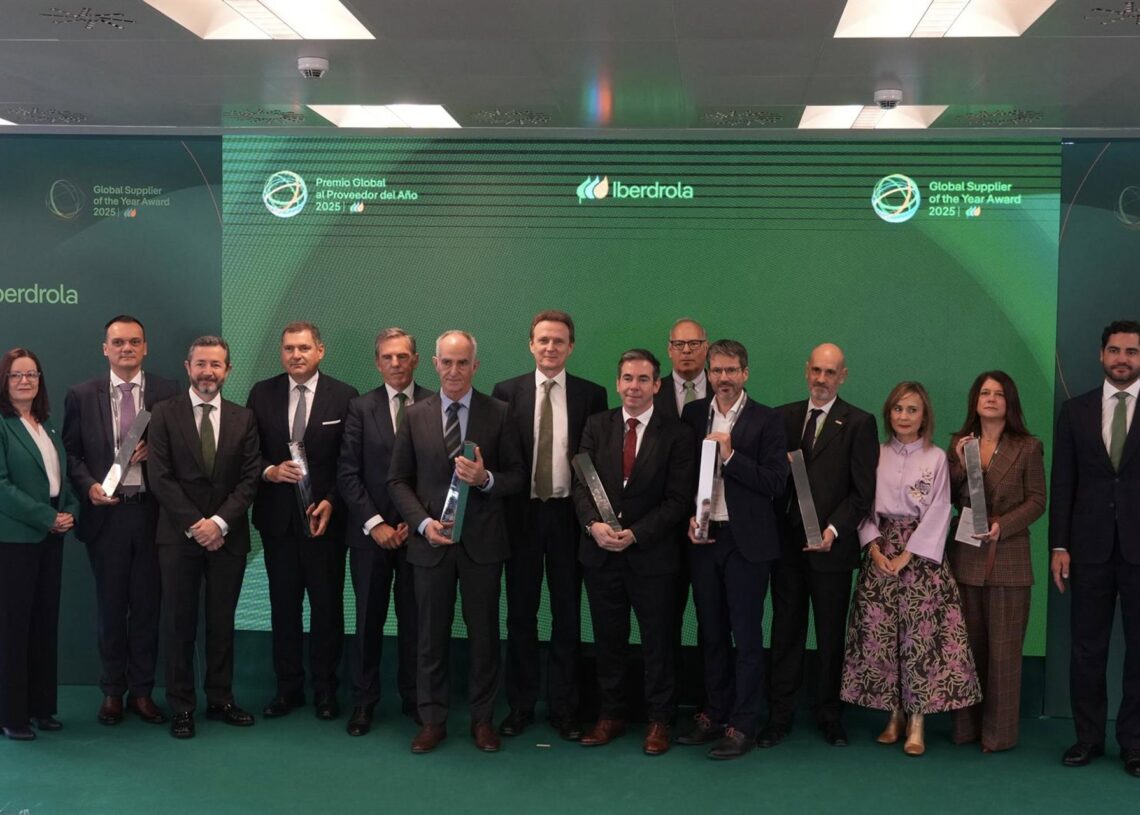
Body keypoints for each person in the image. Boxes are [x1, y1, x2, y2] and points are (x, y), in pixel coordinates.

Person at [388, 330, 526, 753]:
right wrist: (422, 524)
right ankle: (432, 720)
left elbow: (517, 477)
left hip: (483, 546)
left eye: (462, 363)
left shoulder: (499, 413)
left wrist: (485, 479)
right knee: (429, 636)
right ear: (434, 364)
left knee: (484, 636)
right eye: (446, 362)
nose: (453, 370)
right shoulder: (415, 415)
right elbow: (398, 481)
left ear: (475, 366)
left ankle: (483, 721)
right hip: (430, 545)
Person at [840, 381, 981, 756]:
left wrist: (909, 554)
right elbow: (861, 502)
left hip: (921, 559)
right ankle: (894, 715)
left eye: (912, 410)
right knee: (883, 635)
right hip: (880, 553)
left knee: (920, 639)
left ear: (924, 416)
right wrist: (873, 547)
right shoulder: (875, 454)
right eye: (898, 409)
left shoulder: (935, 458)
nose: (904, 416)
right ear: (889, 413)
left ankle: (918, 720)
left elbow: (940, 509)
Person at [573, 349, 695, 756]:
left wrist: (637, 534)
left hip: (652, 557)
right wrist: (593, 526)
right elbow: (581, 486)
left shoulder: (677, 434)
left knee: (658, 641)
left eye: (643, 379)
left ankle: (660, 719)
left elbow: (678, 500)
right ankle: (611, 714)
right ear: (617, 382)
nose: (634, 387)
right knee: (608, 639)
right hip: (601, 554)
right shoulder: (597, 425)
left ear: (657, 385)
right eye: (627, 378)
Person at [494, 310, 608, 742]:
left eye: (559, 341)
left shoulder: (591, 395)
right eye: (543, 340)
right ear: (530, 344)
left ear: (571, 347)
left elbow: (596, 463)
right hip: (521, 518)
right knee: (521, 615)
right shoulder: (507, 393)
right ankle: (520, 706)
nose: (550, 347)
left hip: (569, 518)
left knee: (567, 615)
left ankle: (565, 709)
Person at [62, 315, 178, 727]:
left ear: (145, 347)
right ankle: (113, 690)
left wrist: (157, 452)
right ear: (105, 348)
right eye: (118, 342)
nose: (126, 348)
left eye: (134, 342)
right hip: (106, 516)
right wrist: (89, 486)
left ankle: (142, 692)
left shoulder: (168, 391)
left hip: (152, 514)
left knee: (147, 607)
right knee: (111, 608)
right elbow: (71, 454)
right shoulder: (81, 394)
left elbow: (182, 452)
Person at [676, 340, 788, 759]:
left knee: (747, 636)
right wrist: (689, 516)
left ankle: (743, 724)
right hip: (705, 540)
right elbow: (682, 474)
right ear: (708, 373)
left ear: (745, 373)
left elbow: (776, 482)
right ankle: (714, 713)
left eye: (731, 370)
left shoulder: (768, 420)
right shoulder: (692, 414)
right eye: (717, 370)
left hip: (748, 545)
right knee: (711, 632)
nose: (723, 378)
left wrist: (731, 455)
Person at [764, 342, 878, 749]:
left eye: (830, 372)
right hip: (787, 549)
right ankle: (779, 716)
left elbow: (862, 493)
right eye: (816, 370)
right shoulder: (781, 418)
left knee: (830, 638)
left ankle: (830, 715)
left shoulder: (860, 423)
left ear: (842, 377)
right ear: (806, 371)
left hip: (833, 550)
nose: (822, 379)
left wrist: (833, 530)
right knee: (785, 633)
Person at [148, 335, 261, 739]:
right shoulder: (163, 413)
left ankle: (220, 699)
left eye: (215, 365)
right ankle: (181, 705)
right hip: (179, 538)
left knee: (221, 623)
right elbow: (159, 476)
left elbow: (250, 479)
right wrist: (197, 524)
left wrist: (219, 524)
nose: (207, 372)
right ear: (188, 367)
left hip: (228, 539)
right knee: (179, 623)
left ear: (227, 370)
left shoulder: (244, 418)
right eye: (200, 364)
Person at [247, 321, 358, 721]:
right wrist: (269, 471)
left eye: (304, 348)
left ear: (320, 351)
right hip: (277, 523)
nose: (296, 355)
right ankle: (287, 688)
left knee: (327, 608)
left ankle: (326, 690)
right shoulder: (262, 393)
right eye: (289, 348)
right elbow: (247, 452)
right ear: (282, 353)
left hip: (324, 522)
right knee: (283, 608)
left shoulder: (344, 396)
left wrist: (331, 501)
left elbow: (351, 461)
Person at [1051, 320, 1140, 777]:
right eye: (1115, 350)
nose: (1122, 358)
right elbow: (1063, 482)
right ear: (1101, 355)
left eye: (1132, 351)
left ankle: (1135, 743)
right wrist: (1059, 545)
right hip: (1087, 551)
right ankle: (1087, 739)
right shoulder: (1076, 411)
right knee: (1087, 650)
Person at [338, 327, 431, 736]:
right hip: (370, 537)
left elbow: (438, 473)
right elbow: (348, 473)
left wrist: (415, 522)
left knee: (416, 622)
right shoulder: (360, 407)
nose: (396, 363)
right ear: (377, 363)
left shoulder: (435, 403)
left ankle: (416, 698)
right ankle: (363, 702)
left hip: (418, 536)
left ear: (416, 360)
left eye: (403, 356)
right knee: (368, 621)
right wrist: (376, 525)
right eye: (388, 357)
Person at [946, 370, 1045, 753]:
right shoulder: (960, 444)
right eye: (985, 392)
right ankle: (965, 729)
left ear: (1010, 402)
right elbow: (948, 498)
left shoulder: (1028, 447)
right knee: (967, 650)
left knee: (1004, 653)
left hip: (1009, 559)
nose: (990, 399)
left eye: (999, 394)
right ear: (975, 400)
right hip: (967, 556)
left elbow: (1037, 500)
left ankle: (998, 735)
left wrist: (1005, 525)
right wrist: (958, 463)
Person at [0, 348, 79, 741]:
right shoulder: (2, 425)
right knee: (13, 629)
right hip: (15, 541)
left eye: (31, 374)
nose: (25, 381)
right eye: (16, 375)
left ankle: (41, 708)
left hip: (50, 538)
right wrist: (48, 517)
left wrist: (70, 511)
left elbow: (61, 480)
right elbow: (1, 487)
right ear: (4, 381)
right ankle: (11, 715)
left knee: (44, 624)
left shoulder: (45, 425)